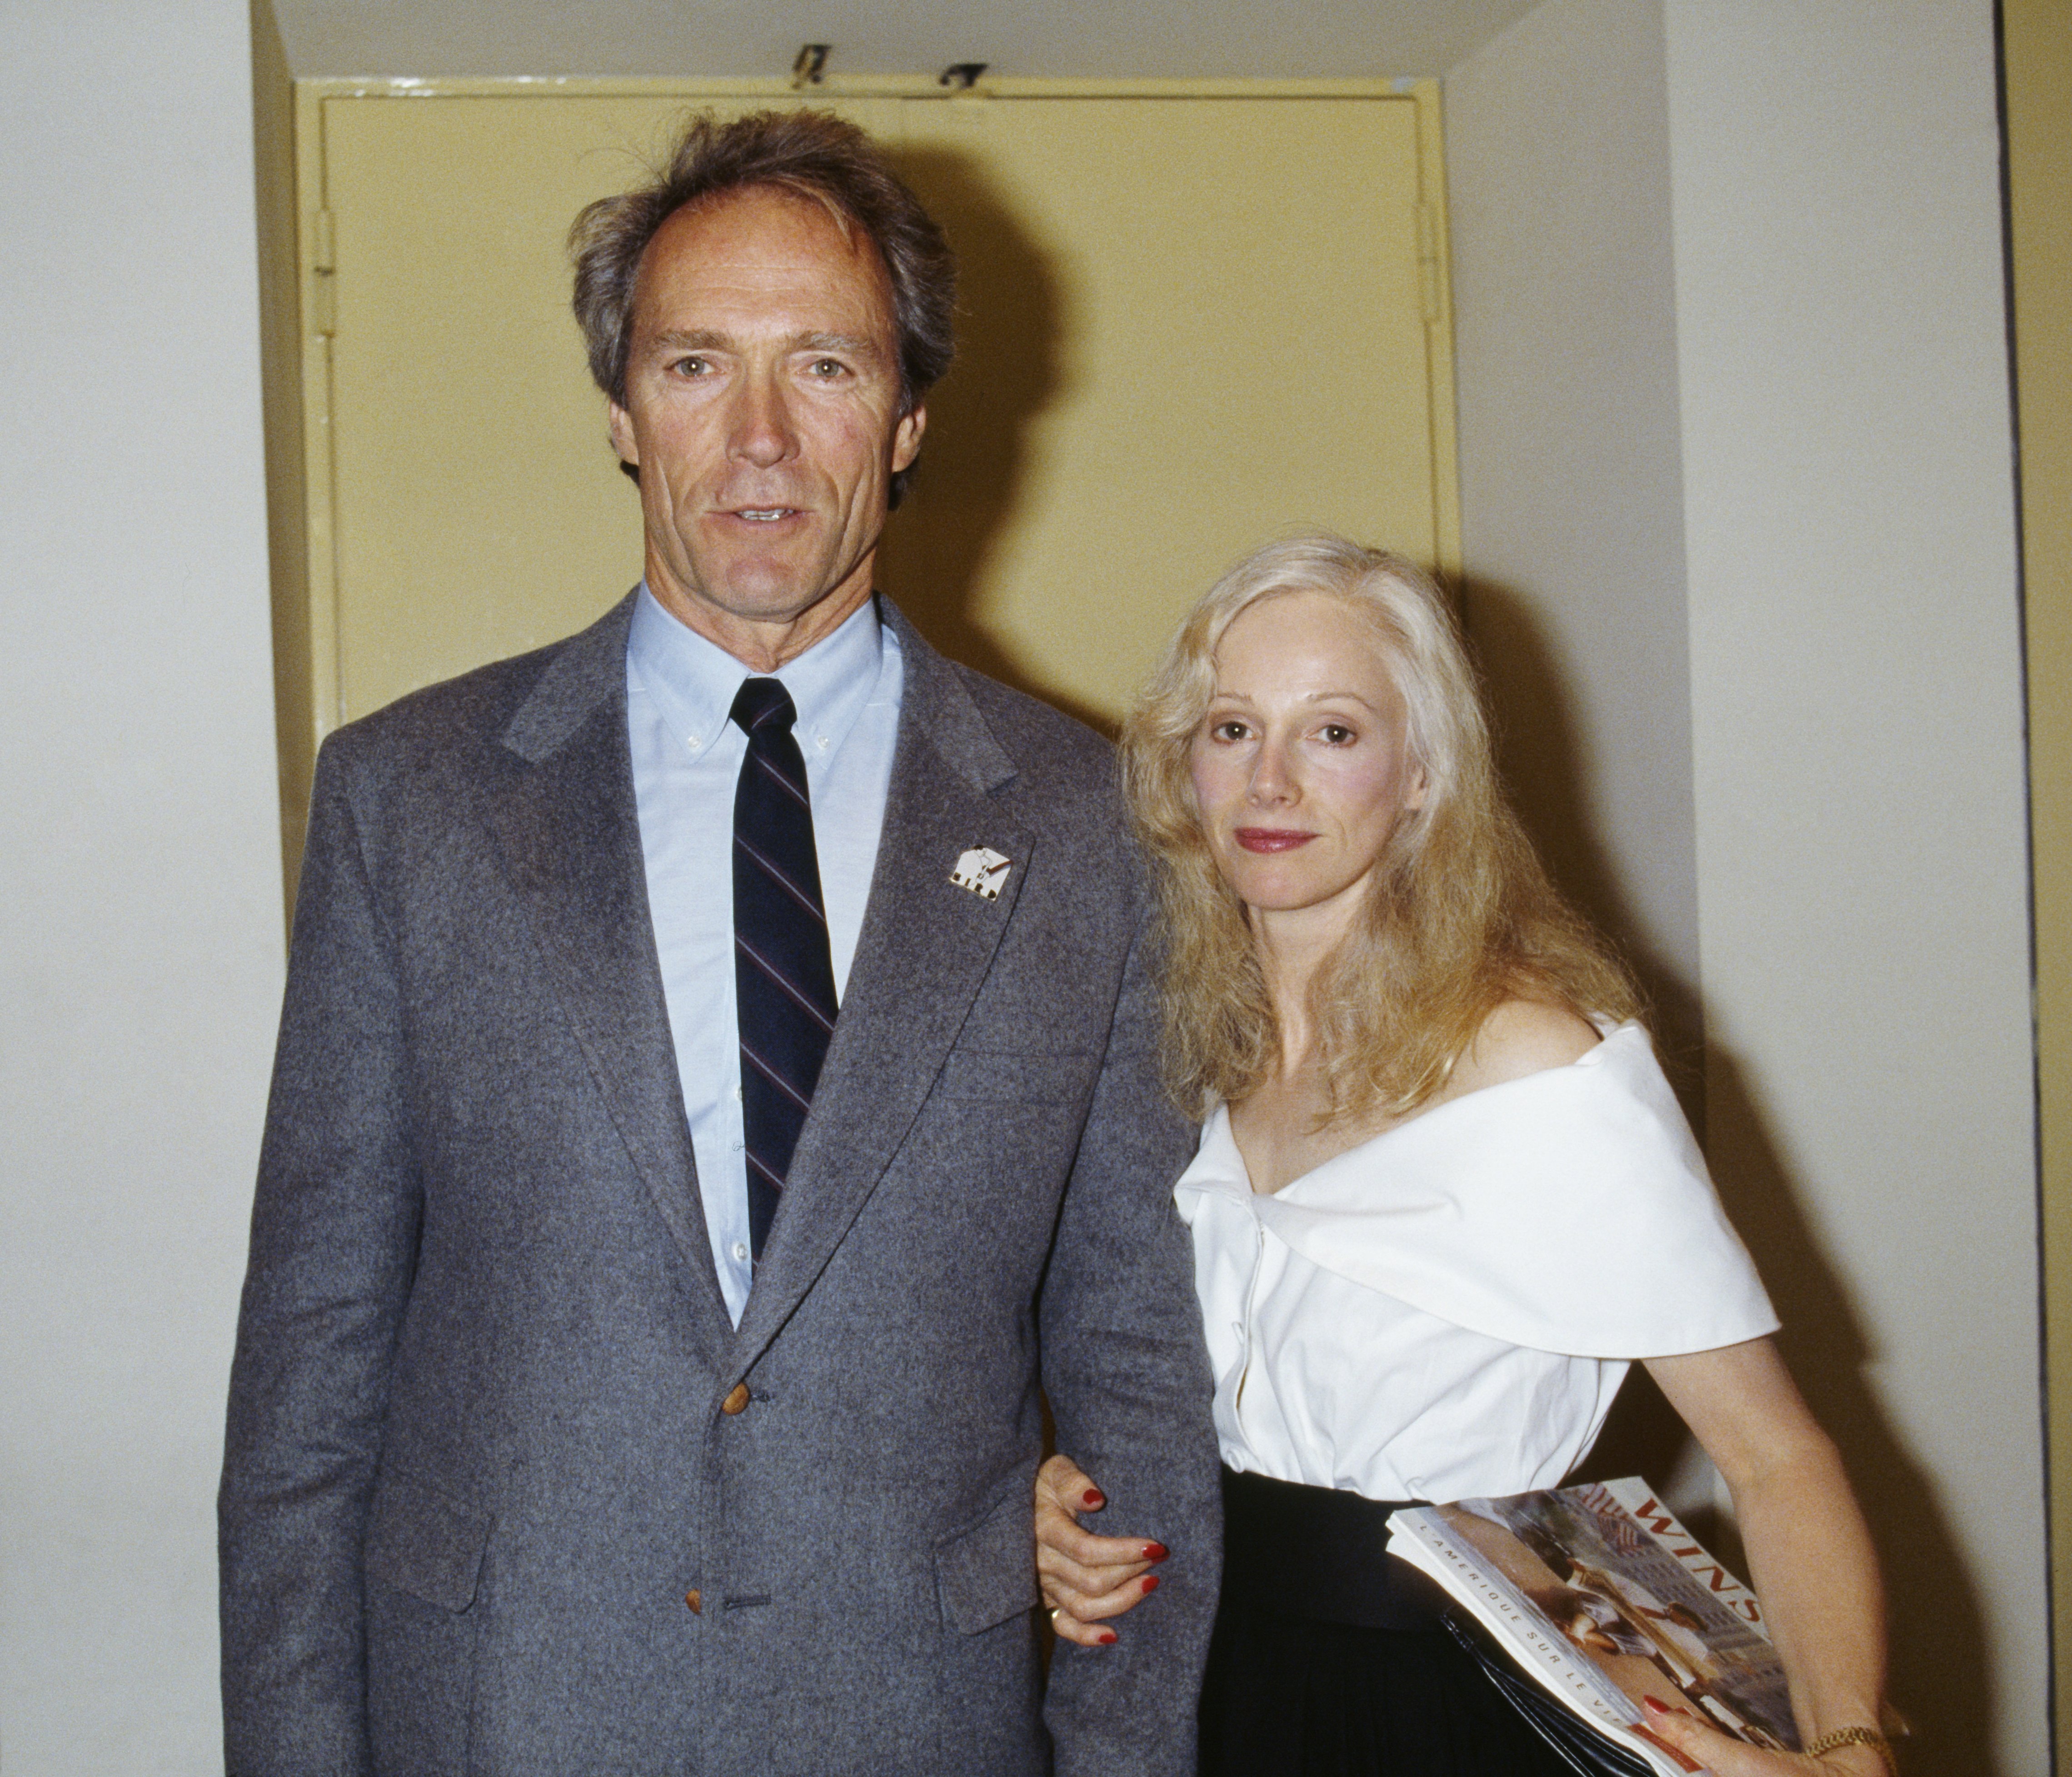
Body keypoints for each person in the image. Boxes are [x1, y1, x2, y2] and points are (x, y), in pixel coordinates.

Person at [219, 108, 1220, 1774]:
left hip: (915, 1711)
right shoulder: (414, 800)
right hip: (499, 1712)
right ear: (622, 412)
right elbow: (311, 1373)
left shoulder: (1088, 823)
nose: (759, 439)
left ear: (905, 417)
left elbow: (1139, 1362)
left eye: (823, 367)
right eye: (696, 366)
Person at [1034, 535, 1893, 1777]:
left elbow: (1775, 1454)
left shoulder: (1535, 1066)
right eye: (1232, 729)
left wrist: (1850, 1748)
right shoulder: (1191, 1062)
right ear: (1183, 768)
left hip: (1451, 1713)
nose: (1270, 780)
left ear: (1425, 774)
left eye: (1332, 732)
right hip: (1209, 1687)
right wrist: (1078, 1503)